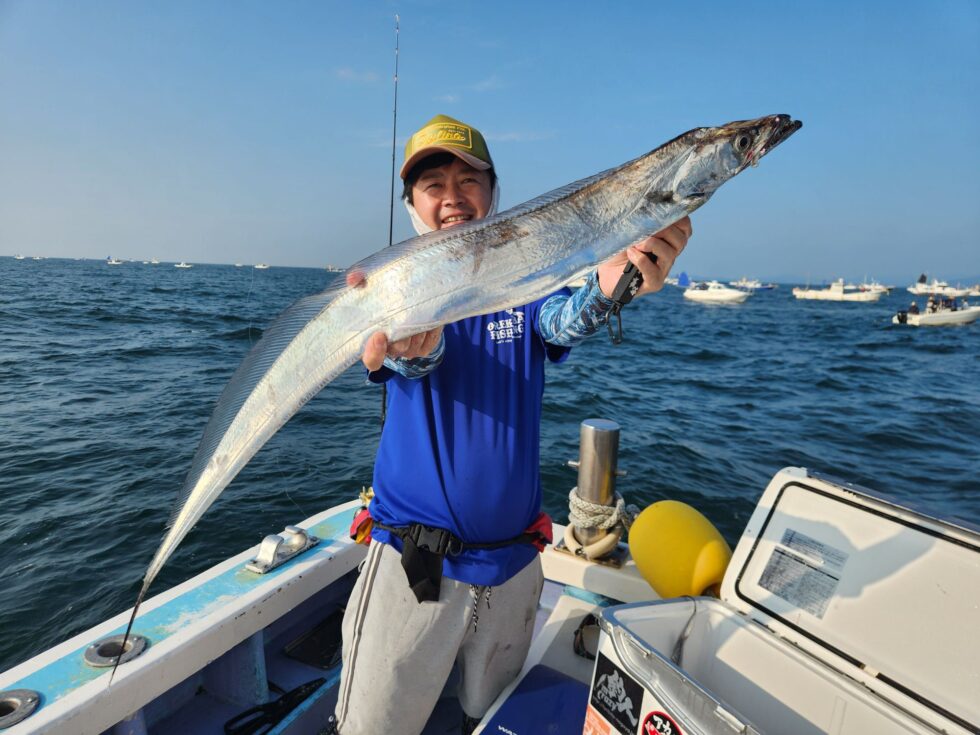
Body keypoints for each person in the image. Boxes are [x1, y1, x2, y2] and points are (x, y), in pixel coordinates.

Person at [326, 114, 691, 735]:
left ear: (493, 192)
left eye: (468, 179)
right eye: (433, 184)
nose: (452, 197)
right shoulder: (393, 296)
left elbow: (564, 320)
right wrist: (419, 349)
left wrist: (613, 287)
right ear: (411, 203)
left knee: (490, 721)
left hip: (514, 572)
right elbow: (415, 359)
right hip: (413, 573)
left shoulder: (527, 285)